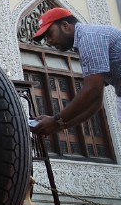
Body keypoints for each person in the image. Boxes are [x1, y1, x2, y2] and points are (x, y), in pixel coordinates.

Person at [31, 7, 121, 136]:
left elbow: (92, 90)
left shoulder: (89, 38)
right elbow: (95, 103)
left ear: (65, 26)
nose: (49, 41)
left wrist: (55, 120)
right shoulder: (84, 42)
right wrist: (60, 125)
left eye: (50, 34)